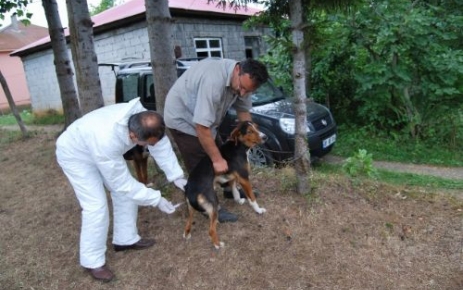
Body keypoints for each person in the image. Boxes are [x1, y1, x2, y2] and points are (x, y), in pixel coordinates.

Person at [55, 98, 187, 282]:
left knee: (124, 194)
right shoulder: (107, 139)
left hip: (96, 146)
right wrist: (156, 199)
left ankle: (125, 239)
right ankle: (92, 261)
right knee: (96, 205)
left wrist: (176, 176)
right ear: (133, 137)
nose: (149, 146)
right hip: (76, 154)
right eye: (146, 143)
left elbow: (159, 144)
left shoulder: (148, 121)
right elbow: (122, 185)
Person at [164, 57, 269, 223]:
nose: (242, 93)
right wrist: (217, 159)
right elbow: (201, 127)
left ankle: (229, 190)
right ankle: (210, 207)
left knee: (226, 152)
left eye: (247, 91)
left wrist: (249, 138)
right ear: (237, 70)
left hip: (207, 120)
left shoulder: (245, 82)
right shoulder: (213, 82)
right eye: (241, 88)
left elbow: (244, 115)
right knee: (203, 165)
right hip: (182, 118)